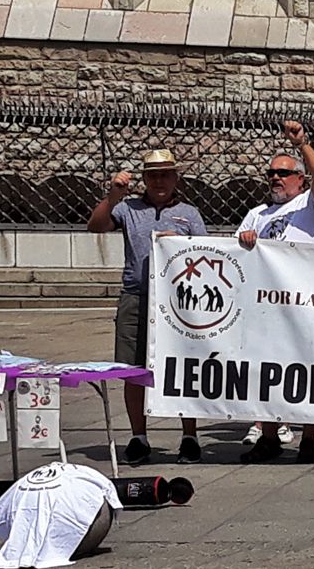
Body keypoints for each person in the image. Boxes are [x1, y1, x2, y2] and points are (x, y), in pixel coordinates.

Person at [87, 148, 206, 465]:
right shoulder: (127, 209)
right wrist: (112, 197)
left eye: (165, 174)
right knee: (132, 369)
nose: (159, 180)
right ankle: (139, 436)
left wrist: (179, 244)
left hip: (177, 300)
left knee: (183, 368)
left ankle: (190, 436)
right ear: (144, 179)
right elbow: (95, 226)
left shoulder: (189, 214)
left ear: (176, 177)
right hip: (136, 294)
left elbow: (206, 253)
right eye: (153, 175)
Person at [237, 120, 314, 464]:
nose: (276, 178)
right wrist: (245, 242)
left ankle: (308, 436)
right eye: (271, 174)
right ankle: (269, 434)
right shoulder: (256, 214)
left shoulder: (311, 204)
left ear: (299, 179)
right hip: (268, 306)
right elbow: (239, 255)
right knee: (268, 370)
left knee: (307, 368)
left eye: (283, 172)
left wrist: (302, 144)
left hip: (307, 301)